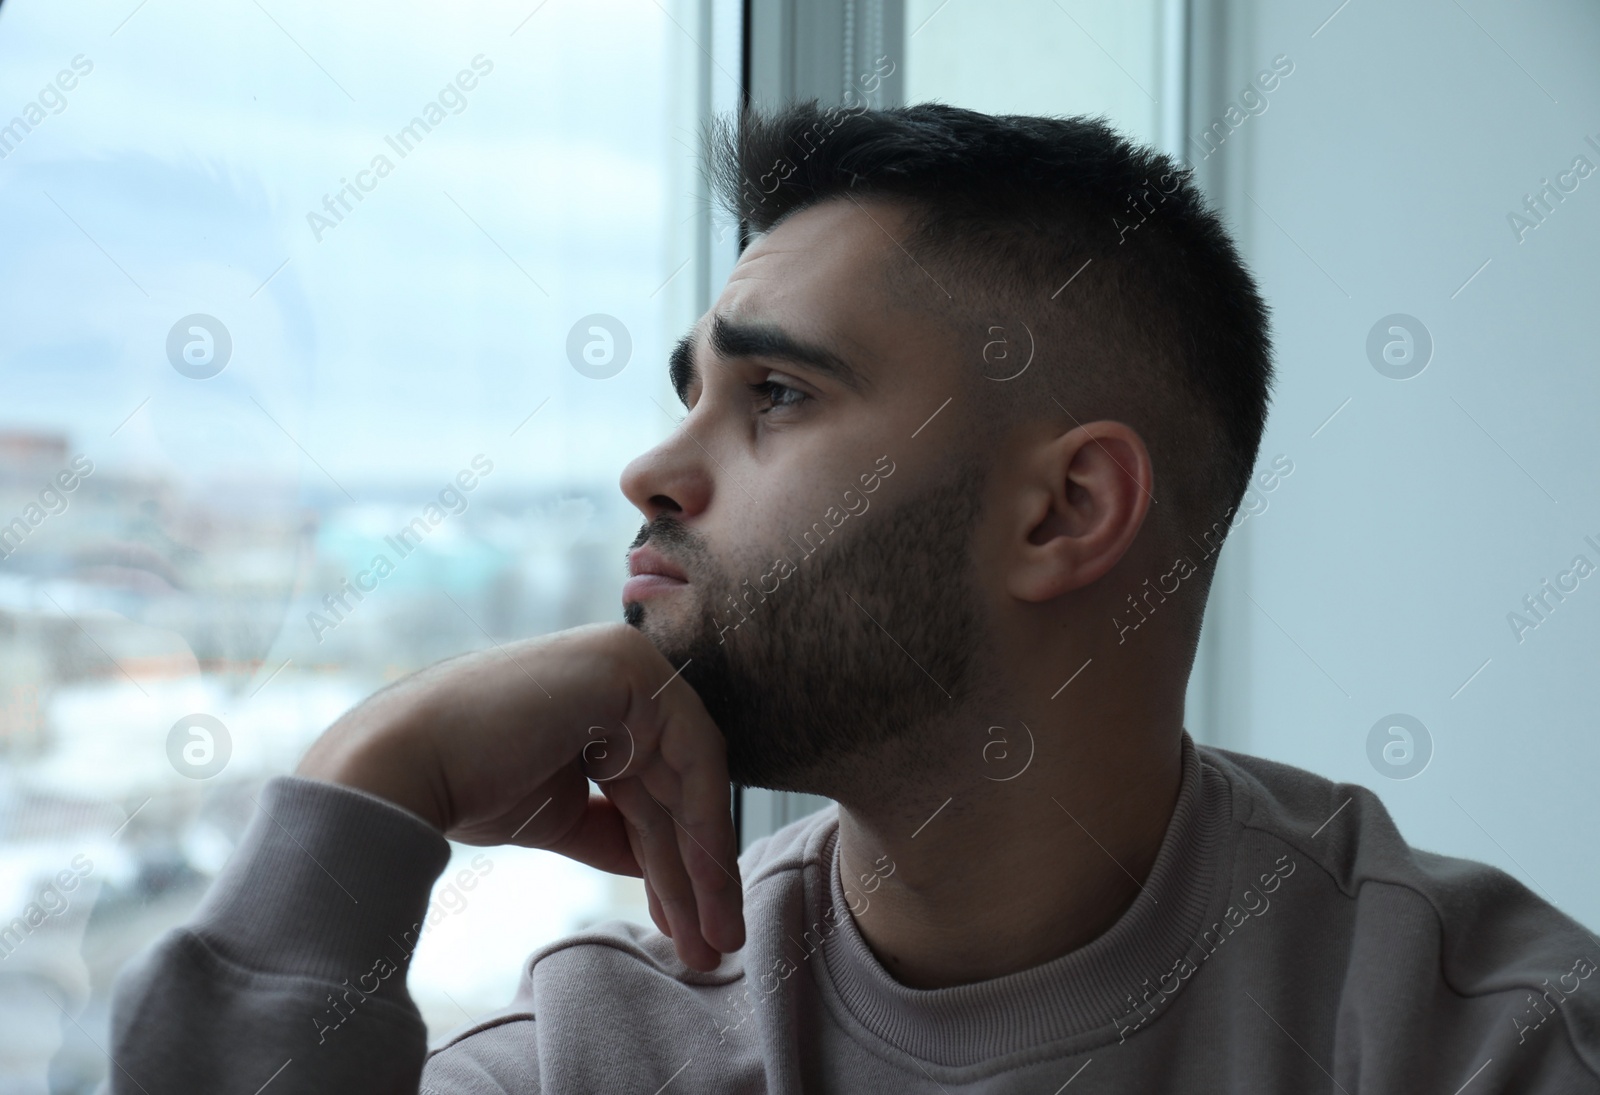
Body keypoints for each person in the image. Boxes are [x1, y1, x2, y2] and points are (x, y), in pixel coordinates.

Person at [106, 102, 1600, 1093]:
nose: (652, 467)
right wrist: (378, 774)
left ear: (1065, 511)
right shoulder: (597, 1058)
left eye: (774, 395)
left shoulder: (1478, 1043)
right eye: (685, 392)